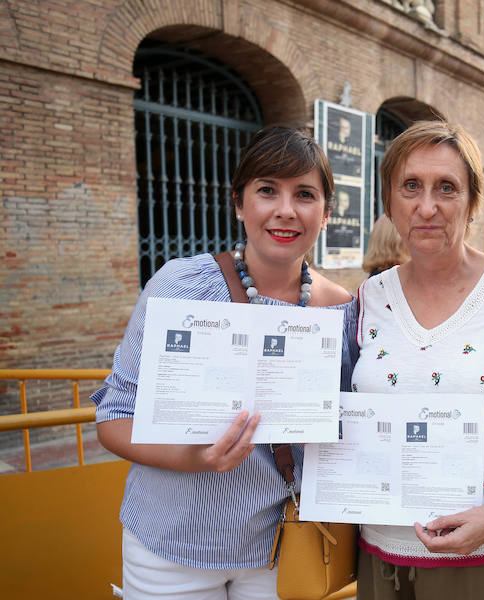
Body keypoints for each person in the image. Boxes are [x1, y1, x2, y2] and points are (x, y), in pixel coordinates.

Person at [91, 125, 359, 599]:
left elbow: (348, 432)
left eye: (305, 194)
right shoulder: (182, 285)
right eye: (266, 191)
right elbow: (114, 420)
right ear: (238, 203)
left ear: (325, 212)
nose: (285, 210)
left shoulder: (341, 310)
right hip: (170, 546)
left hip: (279, 549)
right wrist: (195, 457)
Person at [351, 121, 484, 599]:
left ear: (472, 201)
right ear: (389, 201)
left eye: (447, 187)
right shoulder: (368, 298)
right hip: (383, 552)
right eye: (411, 186)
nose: (427, 206)